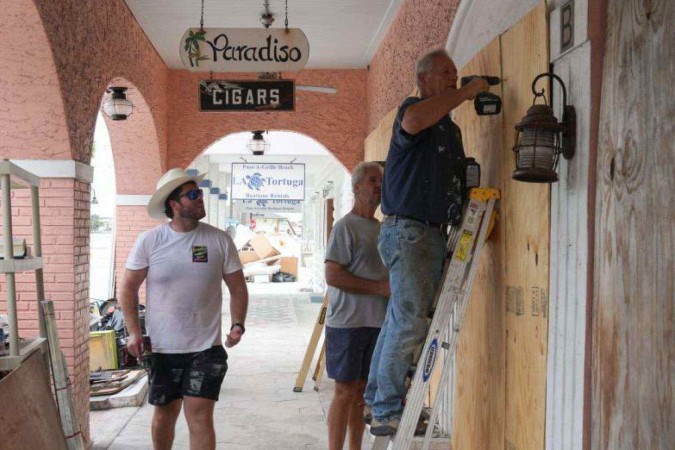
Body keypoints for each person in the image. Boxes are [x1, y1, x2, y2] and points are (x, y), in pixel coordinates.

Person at [364, 49, 489, 436]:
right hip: (412, 231)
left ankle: (376, 400)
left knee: (400, 320)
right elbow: (414, 120)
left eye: (455, 73)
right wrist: (467, 94)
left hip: (429, 232)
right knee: (410, 321)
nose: (453, 79)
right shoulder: (414, 109)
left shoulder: (449, 129)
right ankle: (387, 409)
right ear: (423, 79)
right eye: (445, 73)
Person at [119, 168, 248, 450]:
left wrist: (238, 324)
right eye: (192, 194)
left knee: (200, 415)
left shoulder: (219, 240)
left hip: (206, 347)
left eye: (199, 192)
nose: (200, 198)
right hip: (163, 347)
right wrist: (132, 332)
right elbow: (127, 289)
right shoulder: (150, 241)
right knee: (165, 413)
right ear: (174, 205)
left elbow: (238, 287)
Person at [324, 162, 390, 450]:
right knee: (344, 391)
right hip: (347, 324)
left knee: (362, 392)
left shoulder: (383, 229)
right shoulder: (345, 227)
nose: (379, 186)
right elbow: (332, 274)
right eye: (373, 180)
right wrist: (378, 288)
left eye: (381, 182)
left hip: (377, 323)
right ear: (357, 187)